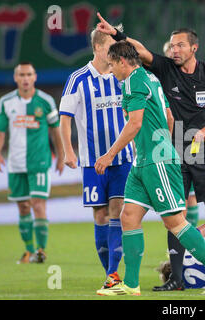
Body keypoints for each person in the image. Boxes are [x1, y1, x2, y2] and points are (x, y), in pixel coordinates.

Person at [95, 13, 205, 290]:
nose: (174, 50)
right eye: (172, 45)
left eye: (179, 45)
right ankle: (161, 281)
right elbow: (140, 53)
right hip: (164, 152)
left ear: (194, 47)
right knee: (134, 216)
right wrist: (117, 35)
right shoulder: (163, 69)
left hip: (196, 148)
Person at [59, 25, 133, 291]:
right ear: (100, 47)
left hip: (123, 158)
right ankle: (110, 274)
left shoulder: (124, 75)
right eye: (112, 46)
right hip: (92, 162)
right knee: (100, 215)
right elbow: (64, 118)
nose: (117, 51)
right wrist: (68, 150)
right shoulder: (77, 79)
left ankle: (113, 274)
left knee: (118, 212)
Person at [0, 61, 64, 264]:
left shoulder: (45, 100)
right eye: (21, 75)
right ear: (16, 78)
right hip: (15, 163)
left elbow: (55, 129)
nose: (25, 79)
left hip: (39, 161)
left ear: (35, 77)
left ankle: (41, 251)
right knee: (23, 207)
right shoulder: (6, 102)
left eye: (28, 74)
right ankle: (29, 250)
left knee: (38, 205)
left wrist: (60, 155)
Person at [163, 40, 199, 227]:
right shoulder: (160, 82)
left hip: (189, 141)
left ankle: (189, 248)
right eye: (169, 53)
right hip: (167, 143)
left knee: (189, 197)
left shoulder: (190, 80)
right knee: (177, 200)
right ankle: (182, 249)